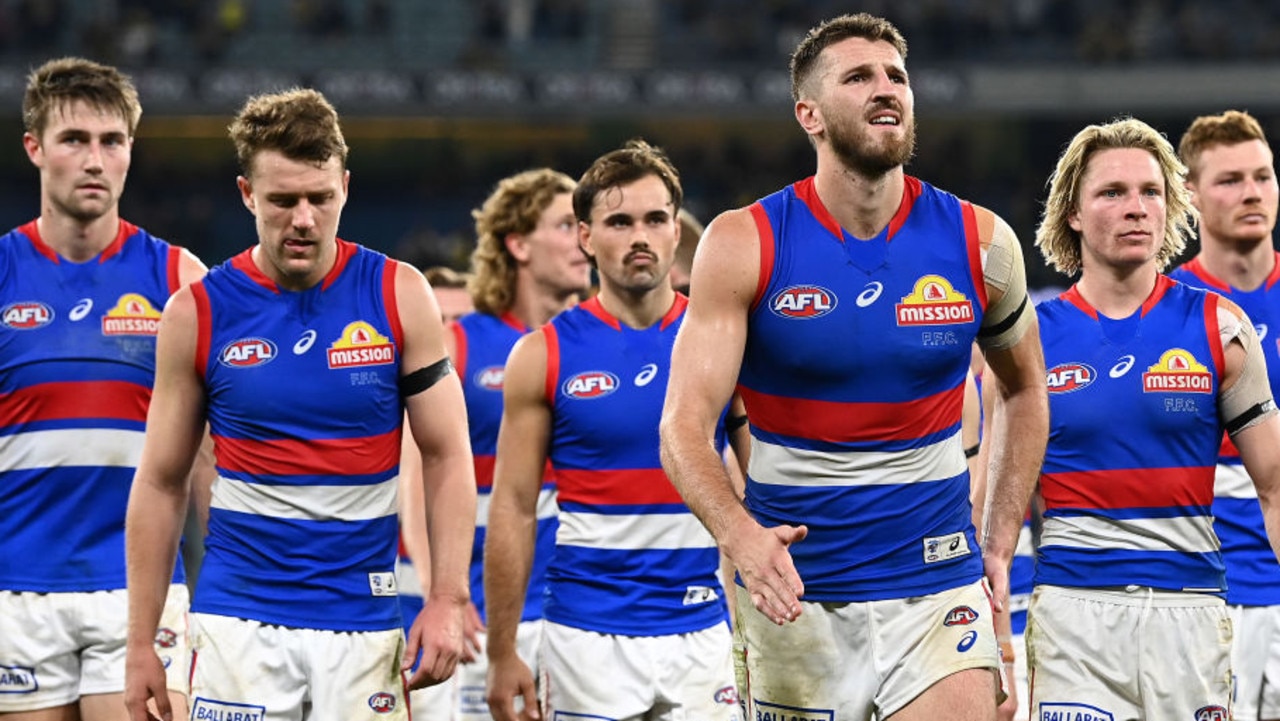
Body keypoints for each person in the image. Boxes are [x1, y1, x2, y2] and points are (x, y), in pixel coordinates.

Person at [659, 13, 1049, 721]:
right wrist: (738, 534)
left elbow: (1024, 387)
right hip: (796, 593)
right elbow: (684, 425)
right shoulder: (744, 241)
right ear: (808, 113)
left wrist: (997, 538)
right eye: (859, 76)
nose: (885, 88)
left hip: (936, 583)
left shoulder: (982, 240)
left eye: (896, 76)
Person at [122, 87, 477, 721]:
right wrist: (142, 642)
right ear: (246, 194)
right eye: (283, 201)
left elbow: (448, 452)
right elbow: (160, 482)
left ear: (347, 186)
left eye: (321, 198)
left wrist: (448, 595)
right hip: (239, 623)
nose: (304, 220)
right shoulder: (197, 312)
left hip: (365, 622)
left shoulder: (400, 294)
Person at [1030, 116, 1280, 719]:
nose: (1136, 208)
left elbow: (1275, 482)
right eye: (1113, 193)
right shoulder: (1032, 341)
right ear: (1073, 211)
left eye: (1150, 193)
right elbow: (998, 497)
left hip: (1193, 603)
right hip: (1076, 607)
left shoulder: (1220, 327)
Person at [484, 140, 740, 721]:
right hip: (585, 640)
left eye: (655, 219)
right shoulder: (542, 354)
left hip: (702, 631)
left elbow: (765, 488)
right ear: (585, 236)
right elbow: (514, 507)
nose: (639, 236)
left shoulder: (723, 343)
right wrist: (503, 653)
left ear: (677, 230)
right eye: (619, 222)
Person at [0, 57, 208, 721]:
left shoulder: (180, 278)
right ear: (34, 148)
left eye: (111, 141)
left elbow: (207, 456)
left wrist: (226, 591)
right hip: (18, 592)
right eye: (74, 140)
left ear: (130, 151)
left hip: (140, 591)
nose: (95, 159)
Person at [399, 168, 592, 720]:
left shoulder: (597, 344)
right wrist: (445, 592)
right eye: (564, 225)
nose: (583, 240)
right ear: (518, 244)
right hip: (479, 619)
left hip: (576, 613)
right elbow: (417, 478)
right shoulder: (460, 342)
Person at [1167, 109, 1280, 721]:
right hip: (1200, 598)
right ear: (1189, 194)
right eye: (1231, 179)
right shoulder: (1166, 316)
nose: (1253, 193)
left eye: (1263, 176)